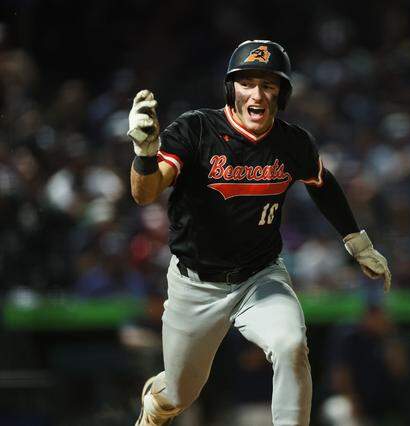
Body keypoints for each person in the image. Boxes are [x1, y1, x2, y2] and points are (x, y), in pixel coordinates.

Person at [128, 40, 392, 426]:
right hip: (196, 285)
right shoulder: (196, 128)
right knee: (180, 394)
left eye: (269, 85)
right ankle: (157, 400)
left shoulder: (292, 142)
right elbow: (144, 192)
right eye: (247, 82)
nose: (257, 94)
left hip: (259, 277)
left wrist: (358, 242)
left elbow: (322, 183)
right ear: (231, 89)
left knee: (290, 344)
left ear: (281, 94)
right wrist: (145, 156)